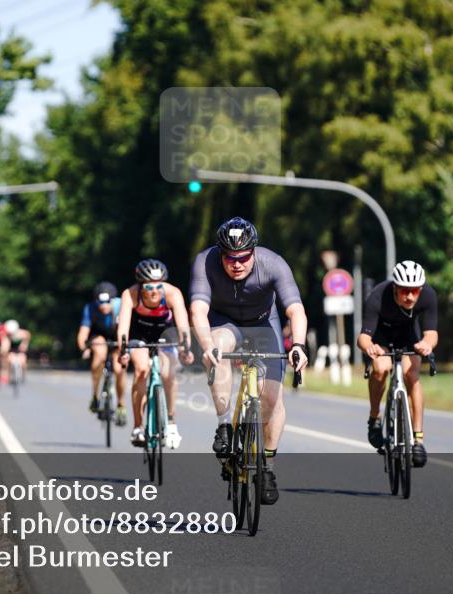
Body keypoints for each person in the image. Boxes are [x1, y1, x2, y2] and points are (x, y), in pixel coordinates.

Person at [190, 217, 309, 506]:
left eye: (243, 257)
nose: (237, 264)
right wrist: (206, 346)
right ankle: (224, 427)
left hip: (262, 323)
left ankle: (267, 468)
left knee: (271, 401)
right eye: (230, 258)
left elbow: (295, 310)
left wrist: (299, 346)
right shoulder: (205, 262)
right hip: (223, 322)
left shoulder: (274, 263)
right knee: (219, 349)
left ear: (254, 251)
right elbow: (197, 310)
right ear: (221, 254)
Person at [357, 260, 438, 468]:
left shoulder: (428, 296)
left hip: (410, 336)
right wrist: (370, 348)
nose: (410, 296)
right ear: (395, 287)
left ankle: (418, 439)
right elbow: (363, 338)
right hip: (382, 337)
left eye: (414, 291)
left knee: (412, 375)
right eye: (404, 291)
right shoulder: (377, 297)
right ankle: (375, 417)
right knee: (380, 369)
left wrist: (426, 345)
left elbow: (431, 334)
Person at [117, 259, 194, 449]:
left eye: (159, 286)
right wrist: (123, 350)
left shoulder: (173, 293)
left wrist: (186, 348)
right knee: (142, 369)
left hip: (164, 335)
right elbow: (124, 326)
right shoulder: (130, 294)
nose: (154, 291)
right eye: (149, 287)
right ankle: (138, 426)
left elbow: (183, 324)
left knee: (168, 374)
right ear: (141, 286)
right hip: (139, 335)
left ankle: (171, 421)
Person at [77, 281, 128, 426]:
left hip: (117, 336)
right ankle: (95, 396)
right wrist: (84, 348)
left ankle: (121, 405)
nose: (104, 306)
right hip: (99, 336)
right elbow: (83, 332)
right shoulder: (90, 308)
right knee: (99, 353)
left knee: (119, 369)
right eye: (101, 302)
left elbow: (127, 328)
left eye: (107, 302)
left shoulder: (121, 306)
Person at [0, 319, 31, 384]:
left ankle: (23, 375)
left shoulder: (22, 333)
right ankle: (7, 375)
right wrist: (4, 350)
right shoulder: (6, 335)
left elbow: (27, 337)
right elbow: (5, 344)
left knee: (23, 360)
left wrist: (24, 344)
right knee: (8, 360)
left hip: (20, 350)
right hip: (12, 350)